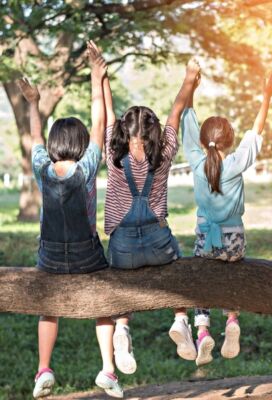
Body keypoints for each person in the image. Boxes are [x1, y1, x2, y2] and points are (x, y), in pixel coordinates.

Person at [21, 41, 123, 398]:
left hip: (49, 257)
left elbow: (34, 135)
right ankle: (108, 370)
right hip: (87, 257)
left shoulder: (41, 168)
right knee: (106, 304)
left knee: (48, 311)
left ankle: (43, 370)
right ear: (81, 143)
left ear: (53, 144)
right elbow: (100, 121)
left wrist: (33, 103)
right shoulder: (87, 167)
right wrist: (97, 76)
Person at [101, 56, 202, 371]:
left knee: (120, 283)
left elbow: (106, 111)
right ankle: (181, 319)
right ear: (154, 133)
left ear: (123, 133)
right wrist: (189, 77)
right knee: (178, 264)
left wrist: (100, 77)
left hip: (123, 249)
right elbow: (177, 109)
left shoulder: (113, 155)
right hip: (159, 244)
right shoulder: (165, 154)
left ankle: (122, 327)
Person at [180, 72, 272, 366]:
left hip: (205, 239)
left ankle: (202, 330)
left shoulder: (197, 163)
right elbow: (256, 134)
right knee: (233, 273)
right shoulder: (235, 163)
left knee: (201, 281)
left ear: (202, 141)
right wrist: (266, 98)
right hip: (234, 240)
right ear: (230, 140)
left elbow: (188, 122)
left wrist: (191, 89)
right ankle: (233, 319)